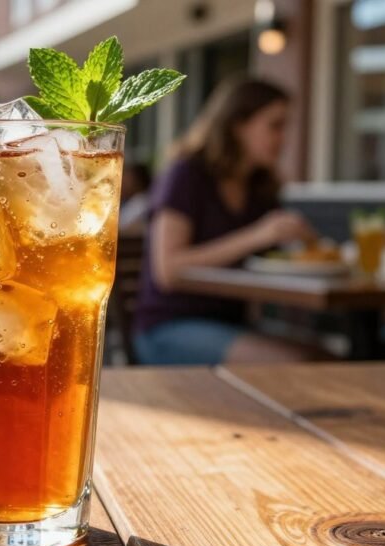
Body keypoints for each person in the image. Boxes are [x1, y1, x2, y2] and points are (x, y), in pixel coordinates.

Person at [132, 78, 322, 365]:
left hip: (233, 324)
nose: (283, 138)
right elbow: (168, 270)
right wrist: (258, 235)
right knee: (294, 364)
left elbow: (271, 255)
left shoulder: (260, 187)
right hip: (168, 327)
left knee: (331, 359)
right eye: (275, 125)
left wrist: (303, 242)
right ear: (238, 125)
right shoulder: (187, 175)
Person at [118, 162, 152, 234]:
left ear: (138, 181)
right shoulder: (133, 200)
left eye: (128, 179)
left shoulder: (141, 202)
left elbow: (124, 227)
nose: (123, 182)